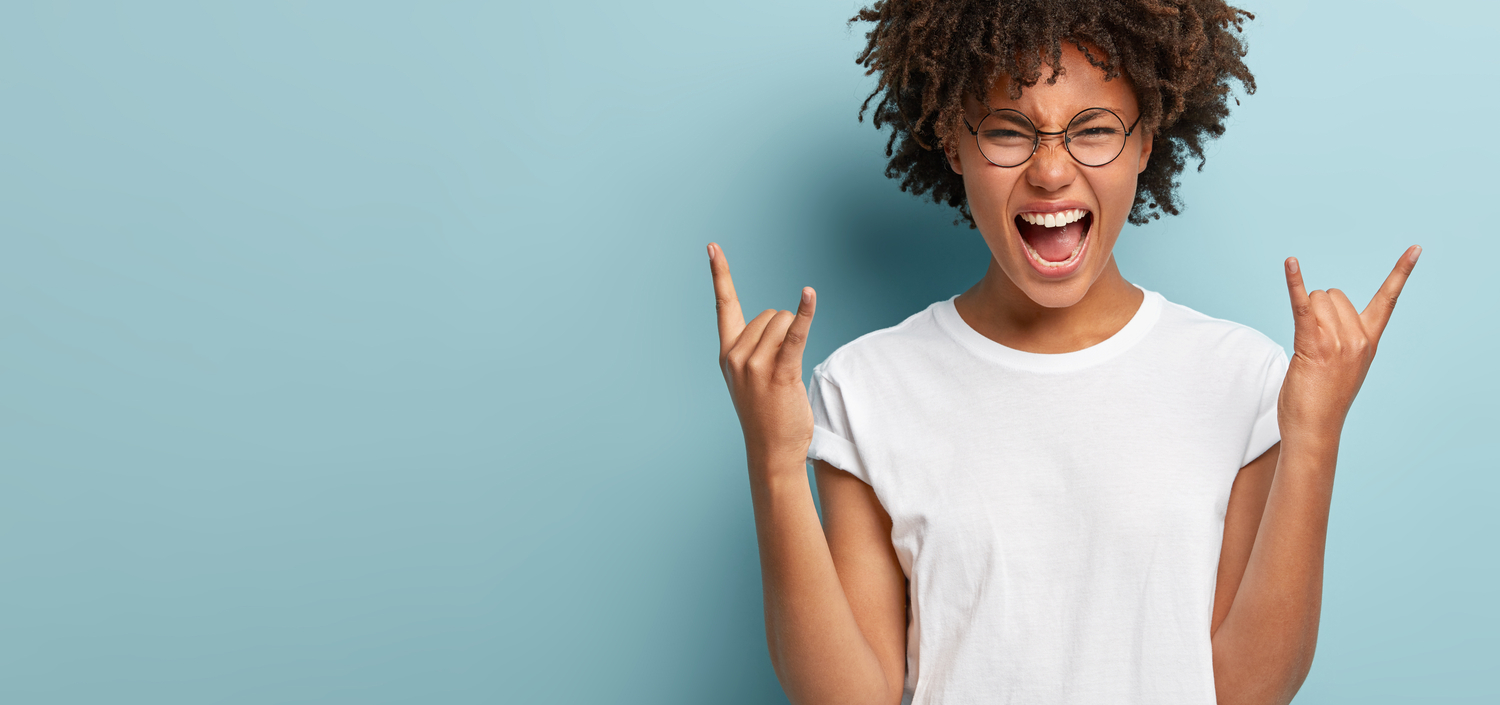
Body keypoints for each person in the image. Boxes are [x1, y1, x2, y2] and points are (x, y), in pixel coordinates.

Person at [706, 1, 1419, 703]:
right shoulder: (866, 388)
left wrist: (1316, 434)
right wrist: (773, 461)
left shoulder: (1243, 380)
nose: (1051, 171)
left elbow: (1247, 690)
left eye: (1095, 130)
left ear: (1146, 142)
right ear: (953, 141)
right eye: (1010, 131)